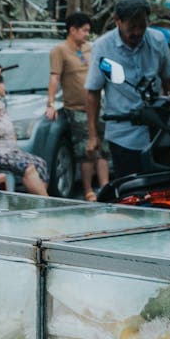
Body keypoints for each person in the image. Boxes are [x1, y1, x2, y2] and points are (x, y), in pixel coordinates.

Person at [85, 0, 170, 180]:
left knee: (164, 188)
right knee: (130, 190)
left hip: (158, 131)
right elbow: (93, 92)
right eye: (132, 28)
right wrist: (93, 135)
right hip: (122, 134)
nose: (137, 32)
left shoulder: (158, 40)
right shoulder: (103, 46)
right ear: (117, 21)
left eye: (142, 26)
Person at [47, 11, 109, 200]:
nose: (87, 34)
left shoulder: (91, 48)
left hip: (99, 106)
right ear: (72, 30)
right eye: (84, 30)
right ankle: (88, 189)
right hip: (77, 109)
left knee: (103, 149)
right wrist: (49, 103)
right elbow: (54, 77)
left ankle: (106, 188)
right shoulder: (60, 50)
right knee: (85, 150)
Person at [0, 67, 49, 195]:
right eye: (2, 83)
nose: (4, 86)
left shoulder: (0, 104)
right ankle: (45, 203)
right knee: (28, 167)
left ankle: (37, 202)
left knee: (41, 164)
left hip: (10, 150)